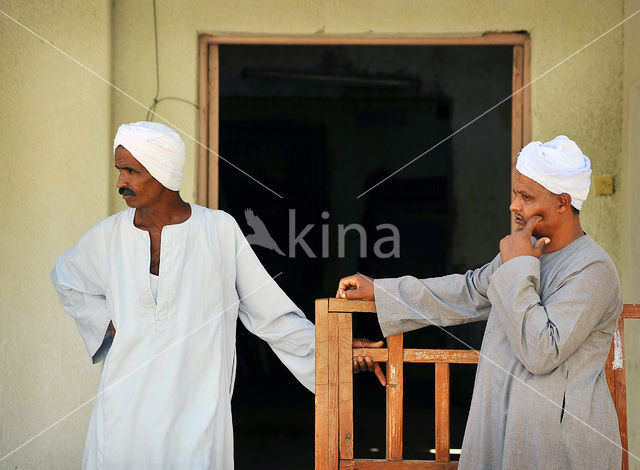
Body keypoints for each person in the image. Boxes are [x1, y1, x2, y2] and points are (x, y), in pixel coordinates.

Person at [336, 136, 623, 469]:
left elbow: (543, 351)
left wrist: (517, 266)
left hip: (558, 443)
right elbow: (468, 292)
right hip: (500, 425)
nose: (514, 206)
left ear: (562, 202)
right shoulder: (523, 254)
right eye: (516, 193)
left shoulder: (592, 268)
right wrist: (381, 291)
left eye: (526, 196)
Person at [50, 121, 317, 469]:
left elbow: (269, 312)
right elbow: (66, 277)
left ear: (162, 172)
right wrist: (106, 324)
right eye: (120, 171)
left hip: (197, 410)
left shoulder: (218, 230)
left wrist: (332, 351)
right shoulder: (109, 236)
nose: (121, 183)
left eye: (132, 171)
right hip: (125, 410)